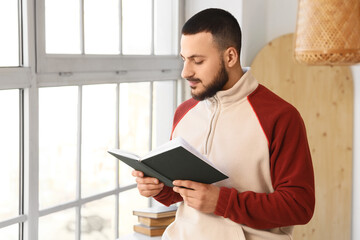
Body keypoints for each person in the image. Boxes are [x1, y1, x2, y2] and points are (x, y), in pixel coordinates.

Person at [132, 8, 315, 240]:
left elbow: (299, 206)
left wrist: (222, 201)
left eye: (197, 61)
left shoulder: (281, 117)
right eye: (184, 59)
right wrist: (160, 189)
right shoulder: (184, 112)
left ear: (230, 57)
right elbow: (182, 190)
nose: (185, 72)